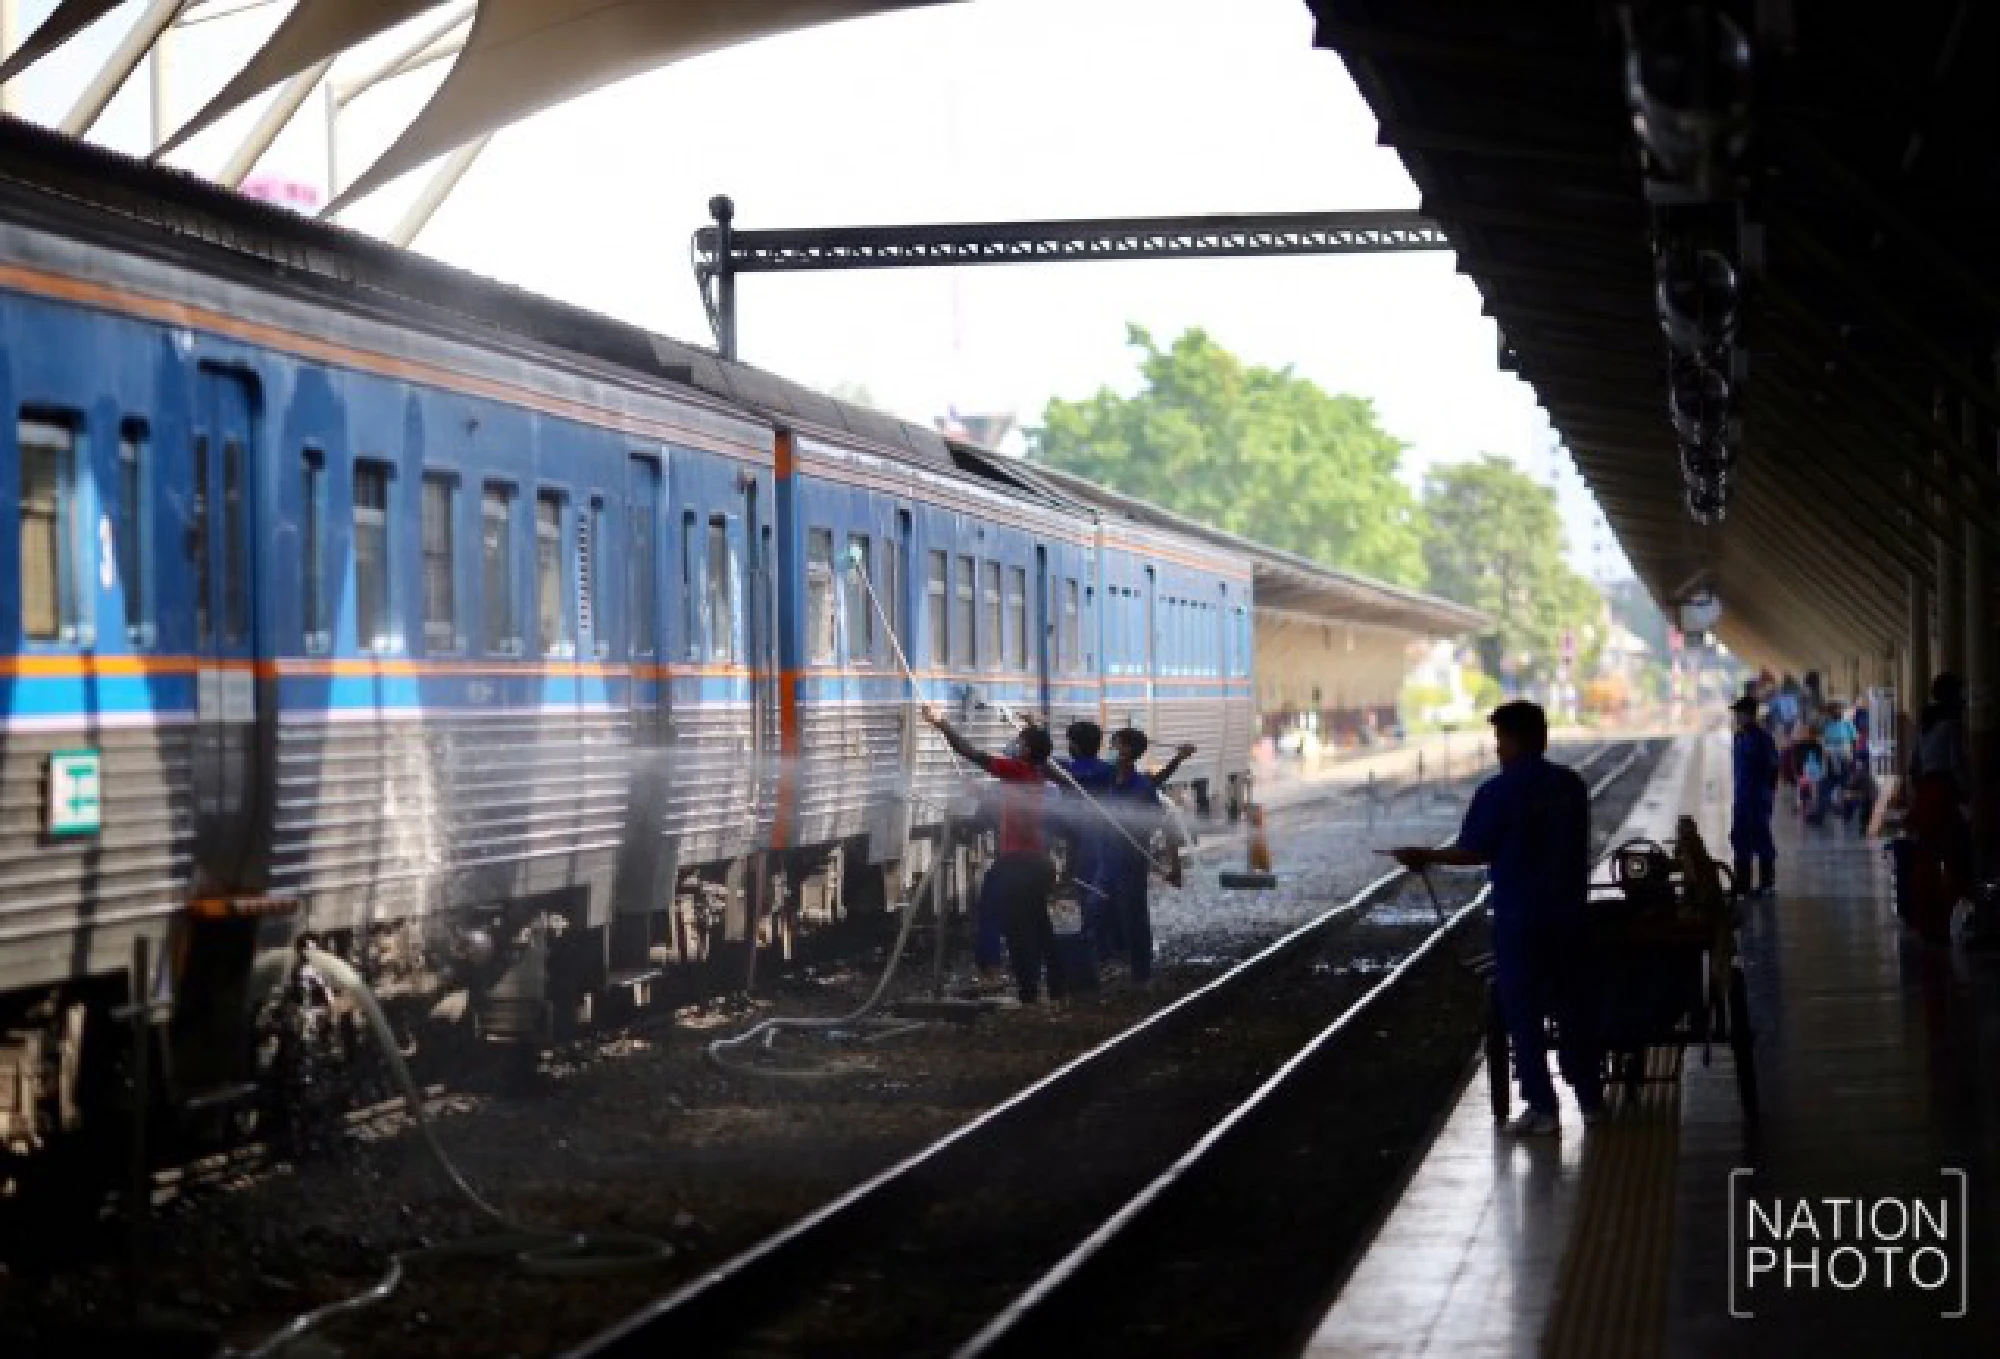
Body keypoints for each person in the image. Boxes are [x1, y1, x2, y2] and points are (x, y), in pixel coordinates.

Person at [1391, 701, 1600, 1136]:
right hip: (1569, 916)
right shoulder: (1571, 786)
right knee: (1575, 1004)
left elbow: (1475, 850)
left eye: (1500, 740)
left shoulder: (1498, 792)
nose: (1497, 749)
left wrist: (1425, 856)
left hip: (1521, 919)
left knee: (1521, 1008)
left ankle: (1543, 1107)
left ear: (1514, 740)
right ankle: (1591, 1100)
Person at [921, 704, 1064, 1005]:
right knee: (1039, 924)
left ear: (1026, 751)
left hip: (1017, 863)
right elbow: (1008, 806)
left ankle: (1029, 992)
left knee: (1018, 929)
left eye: (1021, 742)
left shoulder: (1018, 771)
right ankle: (1057, 986)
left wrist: (941, 723)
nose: (1015, 746)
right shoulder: (1036, 776)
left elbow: (970, 753)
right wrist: (981, 795)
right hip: (1038, 862)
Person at [1097, 728, 1195, 986]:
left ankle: (1141, 974)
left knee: (1133, 917)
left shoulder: (1141, 788)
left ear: (1127, 750)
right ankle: (1114, 963)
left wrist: (1175, 868)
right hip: (1106, 859)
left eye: (1115, 744)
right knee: (1102, 912)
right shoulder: (1107, 778)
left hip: (1130, 862)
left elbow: (1166, 824)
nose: (1110, 749)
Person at [1907, 673, 1973, 942]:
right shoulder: (1952, 726)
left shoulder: (1925, 727)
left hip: (1925, 796)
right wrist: (1968, 794)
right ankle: (1950, 917)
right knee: (1957, 859)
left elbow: (1914, 767)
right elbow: (1956, 764)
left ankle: (1928, 922)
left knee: (1929, 860)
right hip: (1943, 795)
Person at [1053, 721, 1118, 960]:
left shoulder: (1075, 770)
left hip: (1089, 841)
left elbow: (1055, 767)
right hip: (1101, 839)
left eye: (1069, 740)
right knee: (1099, 892)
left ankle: (1097, 948)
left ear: (1076, 745)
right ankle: (1106, 945)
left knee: (1090, 892)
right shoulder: (1107, 769)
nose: (1067, 745)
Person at [1729, 695, 1780, 896]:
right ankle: (1742, 884)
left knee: (1761, 837)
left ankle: (1767, 883)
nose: (1736, 717)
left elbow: (1773, 768)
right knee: (1740, 838)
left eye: (1739, 714)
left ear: (1750, 715)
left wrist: (1767, 794)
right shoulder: (1739, 738)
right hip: (1741, 797)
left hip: (1758, 797)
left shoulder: (1763, 739)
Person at [1816, 701, 1858, 824]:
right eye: (1835, 709)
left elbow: (1854, 741)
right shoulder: (1825, 724)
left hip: (1844, 757)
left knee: (1846, 786)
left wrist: (1853, 757)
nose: (1837, 712)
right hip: (1830, 757)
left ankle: (1848, 813)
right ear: (1829, 712)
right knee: (1826, 786)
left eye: (1839, 709)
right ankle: (1821, 813)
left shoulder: (1847, 724)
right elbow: (1821, 740)